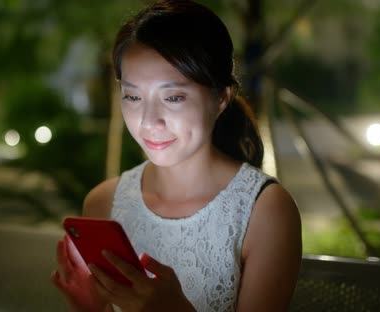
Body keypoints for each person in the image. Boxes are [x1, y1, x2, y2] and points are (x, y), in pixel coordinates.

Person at [51, 0, 302, 311]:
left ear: (221, 98)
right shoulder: (103, 203)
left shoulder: (265, 212)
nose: (149, 121)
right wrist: (86, 308)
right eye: (133, 96)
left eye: (173, 97)